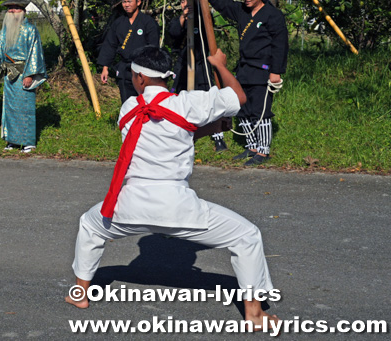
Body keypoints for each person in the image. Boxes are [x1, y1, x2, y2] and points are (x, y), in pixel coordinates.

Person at [65, 46, 279, 330]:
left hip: (129, 203)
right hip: (177, 205)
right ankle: (254, 313)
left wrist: (208, 128)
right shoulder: (188, 104)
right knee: (247, 236)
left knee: (90, 225)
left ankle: (80, 293)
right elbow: (238, 97)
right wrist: (219, 65)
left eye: (133, 76)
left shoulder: (129, 108)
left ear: (140, 79)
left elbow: (164, 132)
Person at [207, 0, 288, 166]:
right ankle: (251, 146)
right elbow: (223, 4)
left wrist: (276, 72)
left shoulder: (272, 15)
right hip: (243, 69)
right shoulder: (242, 11)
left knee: (260, 111)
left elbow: (280, 45)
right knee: (242, 110)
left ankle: (263, 150)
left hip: (263, 70)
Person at [168, 0, 228, 152]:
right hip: (183, 64)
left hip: (202, 64)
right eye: (182, 1)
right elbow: (173, 34)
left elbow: (209, 35)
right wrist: (184, 18)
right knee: (179, 99)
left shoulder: (203, 19)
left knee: (209, 98)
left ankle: (218, 138)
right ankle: (180, 135)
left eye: (187, 1)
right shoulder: (178, 20)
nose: (185, 4)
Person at [0, 0, 47, 153]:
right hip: (9, 74)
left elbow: (35, 54)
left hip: (23, 73)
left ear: (23, 11)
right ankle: (12, 140)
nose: (12, 11)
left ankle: (28, 142)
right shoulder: (5, 30)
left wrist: (30, 75)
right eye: (10, 8)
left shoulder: (30, 30)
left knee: (25, 108)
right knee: (10, 108)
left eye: (16, 8)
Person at [97, 0, 159, 103]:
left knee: (146, 102)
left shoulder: (148, 22)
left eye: (129, 1)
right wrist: (105, 68)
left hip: (143, 69)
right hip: (125, 69)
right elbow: (110, 44)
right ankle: (128, 121)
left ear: (138, 2)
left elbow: (153, 47)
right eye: (124, 2)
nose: (126, 5)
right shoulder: (118, 23)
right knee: (127, 102)